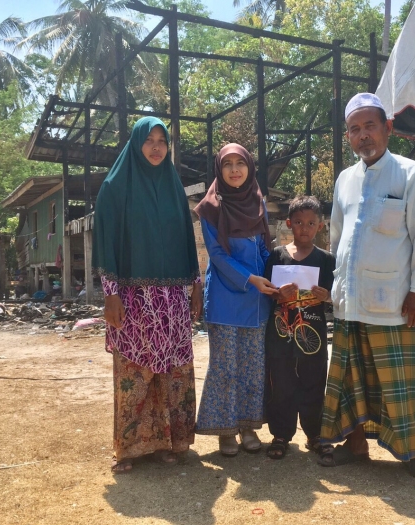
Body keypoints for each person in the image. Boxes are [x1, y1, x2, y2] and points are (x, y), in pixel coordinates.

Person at [318, 93, 415, 480]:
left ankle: (412, 452)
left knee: (400, 381)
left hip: (395, 301)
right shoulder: (345, 180)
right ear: (348, 137)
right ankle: (356, 446)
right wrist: (335, 287)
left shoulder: (411, 175)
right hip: (351, 300)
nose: (363, 135)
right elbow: (337, 238)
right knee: (351, 377)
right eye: (354, 129)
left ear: (388, 128)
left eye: (370, 126)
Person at [92, 117, 202, 474]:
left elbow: (187, 242)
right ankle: (129, 448)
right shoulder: (115, 187)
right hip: (134, 302)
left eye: (162, 141)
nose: (156, 147)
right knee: (136, 373)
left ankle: (167, 444)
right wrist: (110, 294)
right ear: (136, 144)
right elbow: (106, 243)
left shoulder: (173, 188)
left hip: (172, 302)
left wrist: (196, 285)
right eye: (149, 140)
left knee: (171, 374)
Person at [194, 143, 277, 457]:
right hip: (226, 297)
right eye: (227, 164)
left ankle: (247, 426)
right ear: (219, 169)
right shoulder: (210, 207)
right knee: (225, 368)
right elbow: (217, 255)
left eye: (239, 163)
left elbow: (264, 248)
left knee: (253, 367)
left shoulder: (258, 202)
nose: (234, 170)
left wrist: (279, 275)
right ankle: (224, 431)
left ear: (249, 167)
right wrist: (250, 278)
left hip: (257, 301)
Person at [263, 195, 335, 460]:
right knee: (281, 385)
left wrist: (326, 296)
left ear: (320, 226)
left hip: (312, 334)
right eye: (299, 222)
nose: (305, 228)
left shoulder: (326, 259)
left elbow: (335, 295)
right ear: (288, 223)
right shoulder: (277, 256)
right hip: (280, 334)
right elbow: (267, 290)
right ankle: (281, 435)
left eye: (311, 223)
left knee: (314, 383)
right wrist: (277, 294)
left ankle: (315, 435)